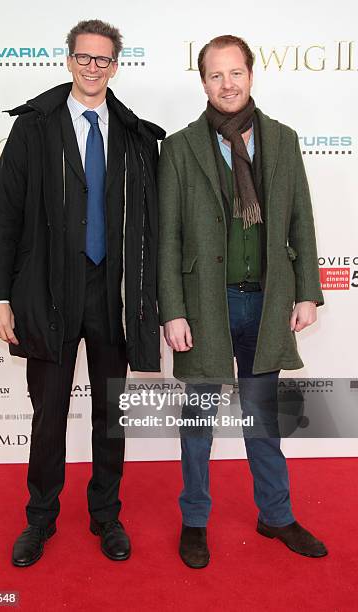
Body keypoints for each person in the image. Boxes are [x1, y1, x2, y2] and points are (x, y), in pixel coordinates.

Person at [0, 19, 165, 567]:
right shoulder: (34, 128)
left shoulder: (133, 135)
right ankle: (40, 519)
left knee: (112, 413)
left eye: (103, 60)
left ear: (115, 65)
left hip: (113, 292)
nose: (93, 68)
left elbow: (152, 225)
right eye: (84, 58)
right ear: (69, 61)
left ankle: (106, 516)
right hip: (48, 293)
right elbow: (3, 216)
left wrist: (152, 300)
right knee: (49, 414)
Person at [157, 35, 327, 568]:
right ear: (202, 81)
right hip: (206, 306)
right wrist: (173, 309)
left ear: (251, 75)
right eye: (215, 75)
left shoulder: (283, 140)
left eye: (235, 73)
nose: (227, 84)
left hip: (265, 302)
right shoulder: (180, 147)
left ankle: (275, 516)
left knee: (263, 421)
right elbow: (169, 238)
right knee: (198, 426)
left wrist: (306, 291)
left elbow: (301, 218)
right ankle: (195, 521)